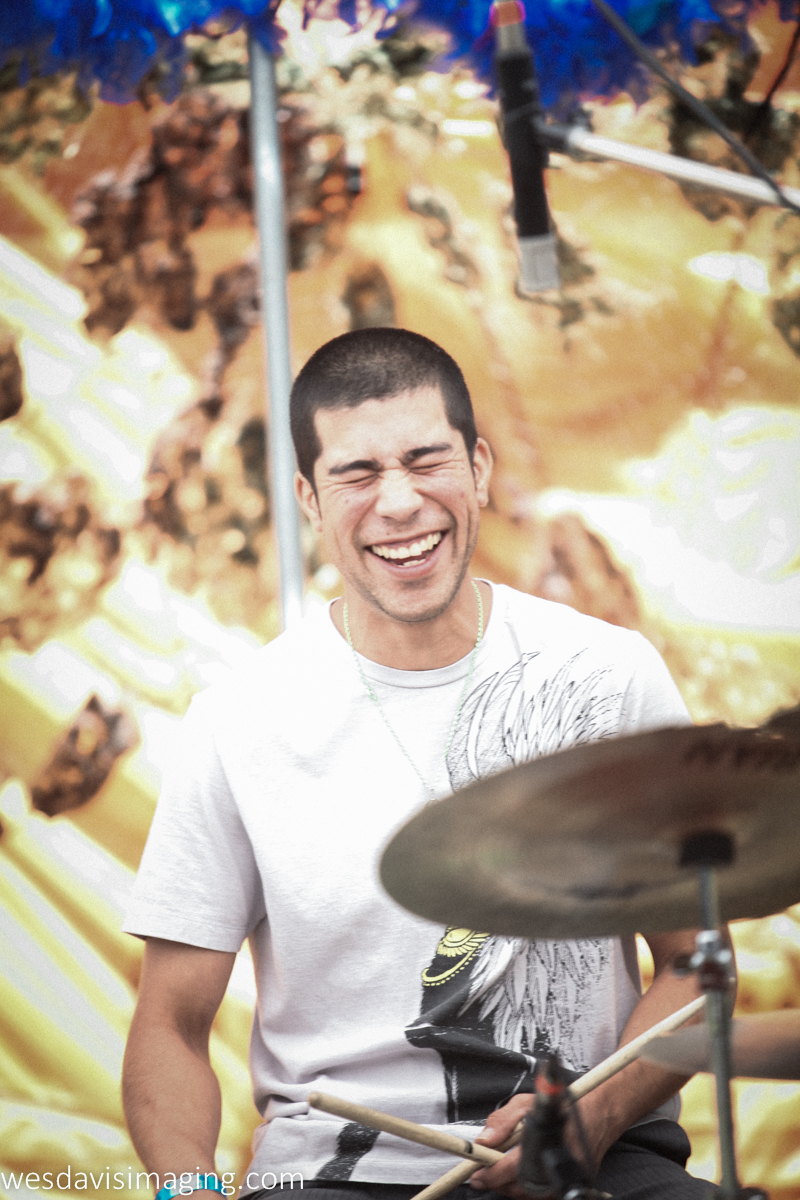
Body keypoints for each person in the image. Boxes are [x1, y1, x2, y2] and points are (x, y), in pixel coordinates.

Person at [122, 328, 710, 1200]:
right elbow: (170, 1025)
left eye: (426, 461)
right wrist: (188, 1193)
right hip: (332, 1173)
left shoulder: (609, 675)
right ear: (308, 500)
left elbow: (697, 964)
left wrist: (598, 1113)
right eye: (356, 475)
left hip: (599, 1150)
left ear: (479, 468)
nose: (398, 503)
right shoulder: (236, 723)